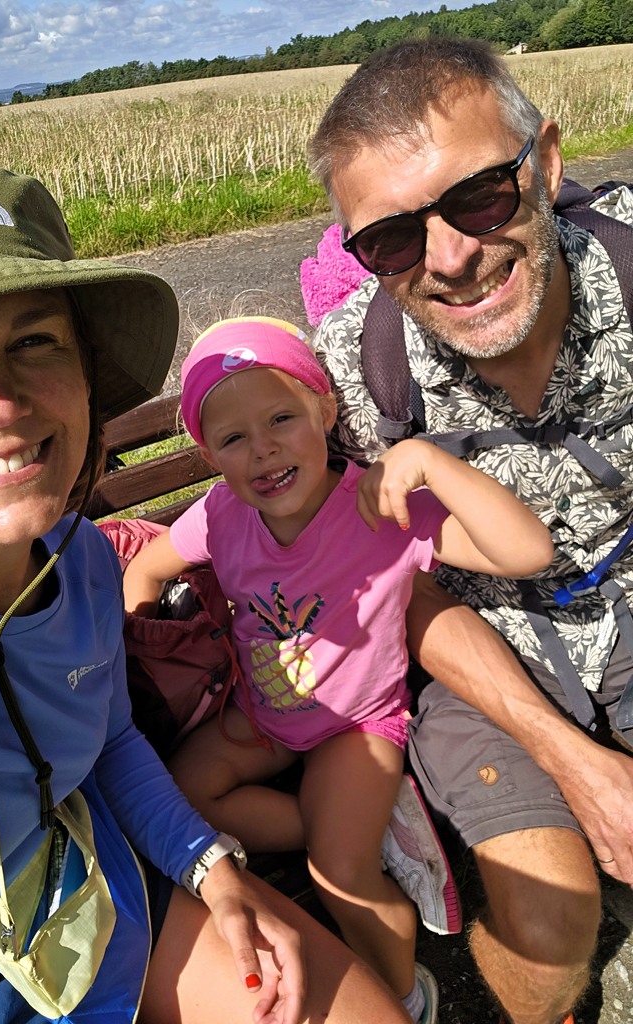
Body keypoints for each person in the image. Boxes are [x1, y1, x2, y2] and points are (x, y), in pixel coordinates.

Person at [0, 160, 416, 1024]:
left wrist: (208, 866)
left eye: (34, 342)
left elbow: (109, 736)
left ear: (86, 371)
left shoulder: (83, 562)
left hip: (95, 899)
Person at [307, 36, 633, 1024]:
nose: (449, 257)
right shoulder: (358, 371)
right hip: (480, 654)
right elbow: (401, 587)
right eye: (393, 241)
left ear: (546, 163)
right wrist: (573, 756)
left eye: (483, 196)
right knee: (546, 929)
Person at [122, 315, 553, 1024]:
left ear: (325, 408)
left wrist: (432, 465)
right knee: (181, 800)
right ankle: (371, 824)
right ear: (209, 456)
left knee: (339, 876)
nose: (262, 450)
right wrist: (141, 628)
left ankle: (404, 994)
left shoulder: (381, 511)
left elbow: (527, 552)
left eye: (282, 417)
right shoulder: (222, 514)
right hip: (261, 716)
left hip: (355, 727)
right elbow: (150, 563)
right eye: (233, 439)